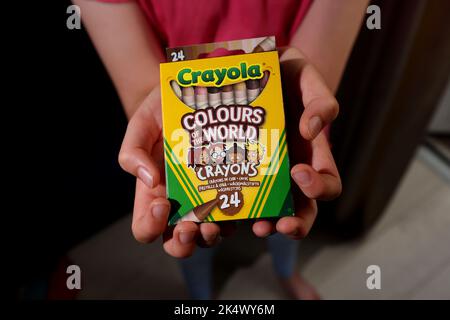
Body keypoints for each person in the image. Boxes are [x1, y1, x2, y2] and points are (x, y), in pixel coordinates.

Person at [75, 0, 368, 299]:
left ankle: (285, 272)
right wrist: (157, 118)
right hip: (184, 155)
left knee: (290, 216)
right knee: (191, 235)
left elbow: (319, 62)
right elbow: (140, 88)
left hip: (290, 133)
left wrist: (299, 87)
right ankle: (202, 296)